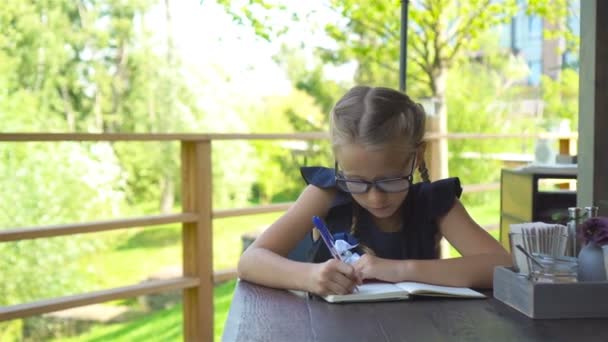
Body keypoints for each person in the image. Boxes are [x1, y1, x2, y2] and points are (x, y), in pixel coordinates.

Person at [238, 86, 511, 296]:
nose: (375, 197)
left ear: (416, 158)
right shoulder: (326, 193)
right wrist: (311, 277)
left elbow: (502, 266)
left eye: (390, 181)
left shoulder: (434, 202)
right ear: (339, 165)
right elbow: (251, 261)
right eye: (356, 181)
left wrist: (399, 270)